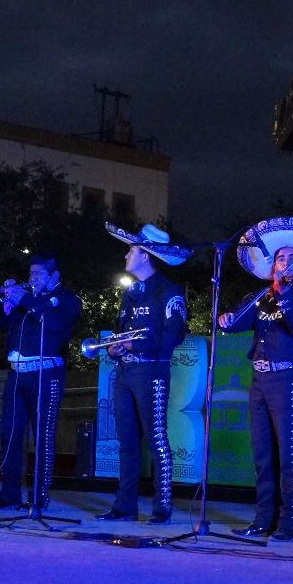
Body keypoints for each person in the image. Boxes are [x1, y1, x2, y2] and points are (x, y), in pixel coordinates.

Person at [218, 217, 293, 542]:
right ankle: (262, 519)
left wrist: (283, 294)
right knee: (262, 453)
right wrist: (228, 317)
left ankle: (290, 522)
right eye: (279, 258)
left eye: (290, 258)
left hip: (288, 379)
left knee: (289, 453)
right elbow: (234, 326)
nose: (283, 262)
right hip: (259, 381)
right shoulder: (261, 297)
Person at [99, 223, 190, 523]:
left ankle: (162, 507)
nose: (126, 255)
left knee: (157, 439)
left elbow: (174, 334)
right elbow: (123, 328)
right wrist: (115, 346)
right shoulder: (131, 293)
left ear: (146, 256)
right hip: (125, 372)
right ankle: (125, 505)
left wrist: (137, 343)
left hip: (151, 372)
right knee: (126, 441)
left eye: (131, 251)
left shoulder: (169, 291)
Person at [0, 253, 83, 511]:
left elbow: (55, 326)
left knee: (43, 436)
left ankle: (39, 498)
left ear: (55, 276)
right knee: (10, 434)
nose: (32, 279)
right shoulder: (27, 300)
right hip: (17, 374)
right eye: (31, 274)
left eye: (38, 274)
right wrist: (7, 302)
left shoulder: (67, 300)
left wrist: (25, 299)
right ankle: (9, 495)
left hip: (46, 374)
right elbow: (3, 325)